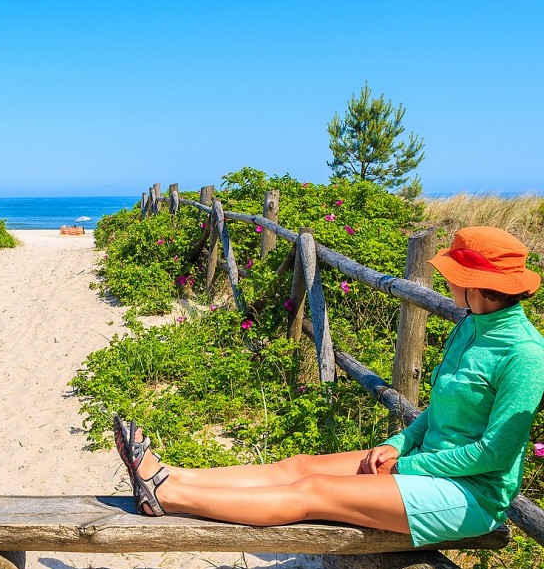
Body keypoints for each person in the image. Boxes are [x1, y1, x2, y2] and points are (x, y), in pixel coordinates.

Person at [115, 226, 544, 547]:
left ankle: (168, 496)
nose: (447, 281)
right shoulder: (472, 325)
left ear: (475, 284)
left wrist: (408, 467)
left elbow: (495, 454)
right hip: (424, 463)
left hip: (470, 495)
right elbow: (439, 411)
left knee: (312, 492)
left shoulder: (524, 354)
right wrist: (399, 443)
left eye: (453, 274)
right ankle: (176, 476)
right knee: (300, 466)